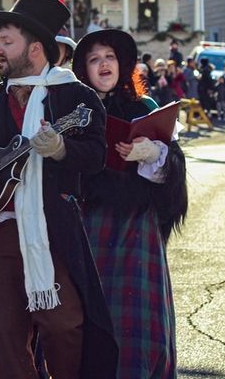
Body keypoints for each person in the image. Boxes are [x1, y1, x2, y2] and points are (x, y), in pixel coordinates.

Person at [0, 0, 117, 378]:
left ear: (35, 48)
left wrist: (61, 149)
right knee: (6, 336)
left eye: (5, 41)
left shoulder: (75, 98)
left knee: (64, 324)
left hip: (52, 228)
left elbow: (96, 157)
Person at [72, 28, 188, 379]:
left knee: (136, 316)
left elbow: (175, 169)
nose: (103, 64)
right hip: (89, 226)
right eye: (94, 59)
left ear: (122, 64)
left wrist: (154, 152)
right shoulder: (74, 111)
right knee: (90, 316)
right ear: (84, 70)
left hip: (137, 229)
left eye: (109, 57)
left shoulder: (144, 107)